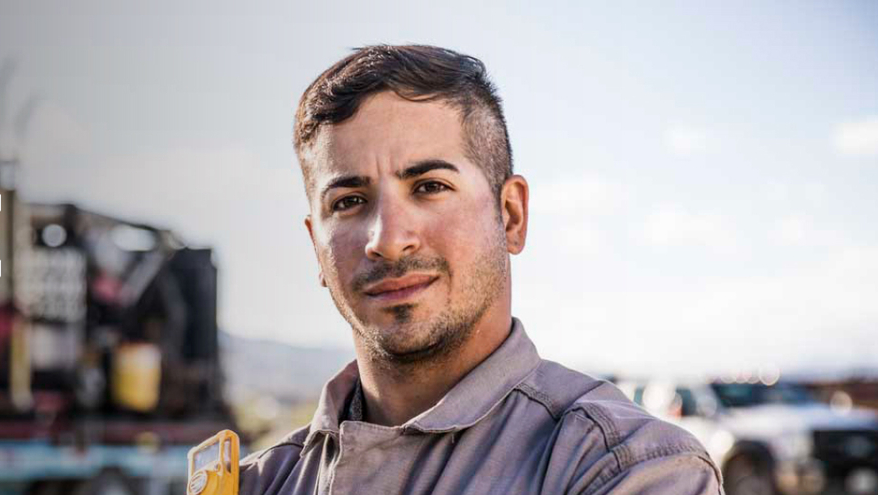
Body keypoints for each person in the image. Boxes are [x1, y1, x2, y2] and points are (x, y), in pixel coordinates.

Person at [235, 45, 724, 494]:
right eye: (349, 201)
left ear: (510, 215)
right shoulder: (260, 483)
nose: (386, 239)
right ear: (315, 248)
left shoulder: (625, 467)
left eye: (429, 186)